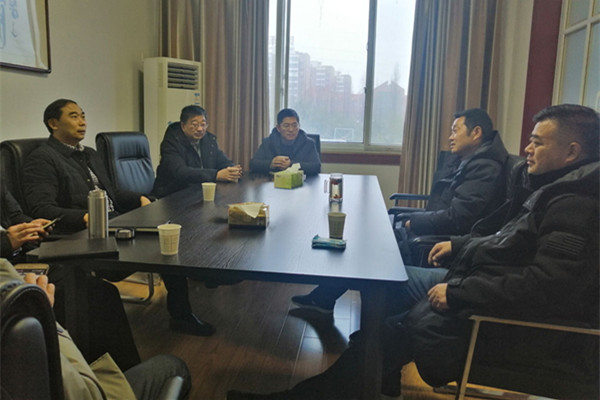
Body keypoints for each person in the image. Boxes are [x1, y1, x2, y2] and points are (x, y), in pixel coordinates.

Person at [227, 104, 599, 399]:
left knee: (390, 319)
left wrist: (459, 292)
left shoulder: (576, 204)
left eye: (537, 142)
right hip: (480, 278)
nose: (527, 149)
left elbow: (547, 286)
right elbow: (506, 240)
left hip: (503, 318)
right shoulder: (555, 188)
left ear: (572, 152)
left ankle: (348, 375)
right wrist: (460, 245)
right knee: (386, 287)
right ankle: (373, 372)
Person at [23, 99, 215, 337]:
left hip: (117, 222)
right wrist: (86, 218)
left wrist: (140, 199)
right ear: (53, 123)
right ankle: (183, 314)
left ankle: (184, 309)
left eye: (83, 116)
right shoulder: (42, 159)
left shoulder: (89, 154)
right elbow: (42, 209)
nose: (82, 122)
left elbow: (112, 192)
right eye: (74, 116)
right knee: (163, 244)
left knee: (170, 234)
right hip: (88, 236)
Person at [291, 108, 508, 315]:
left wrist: (415, 221)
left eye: (455, 130)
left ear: (476, 133)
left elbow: (458, 217)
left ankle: (336, 306)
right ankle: (326, 299)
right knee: (366, 245)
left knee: (367, 250)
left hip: (442, 241)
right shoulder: (469, 161)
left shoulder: (484, 169)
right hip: (436, 231)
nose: (450, 137)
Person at [0, 259, 191, 400]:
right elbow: (85, 394)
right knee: (173, 367)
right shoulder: (19, 323)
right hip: (87, 390)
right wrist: (47, 319)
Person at [152, 105, 242, 198]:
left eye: (203, 124)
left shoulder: (209, 140)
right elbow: (181, 172)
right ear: (183, 126)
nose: (200, 129)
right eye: (194, 124)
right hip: (172, 195)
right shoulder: (171, 143)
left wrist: (232, 170)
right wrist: (216, 175)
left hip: (198, 192)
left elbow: (223, 161)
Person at [249, 108, 321, 176]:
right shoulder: (268, 142)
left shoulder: (308, 143)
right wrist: (270, 164)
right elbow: (253, 164)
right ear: (278, 128)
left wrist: (291, 165)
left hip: (301, 183)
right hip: (273, 182)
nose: (291, 130)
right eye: (286, 126)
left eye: (294, 125)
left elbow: (316, 167)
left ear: (299, 126)